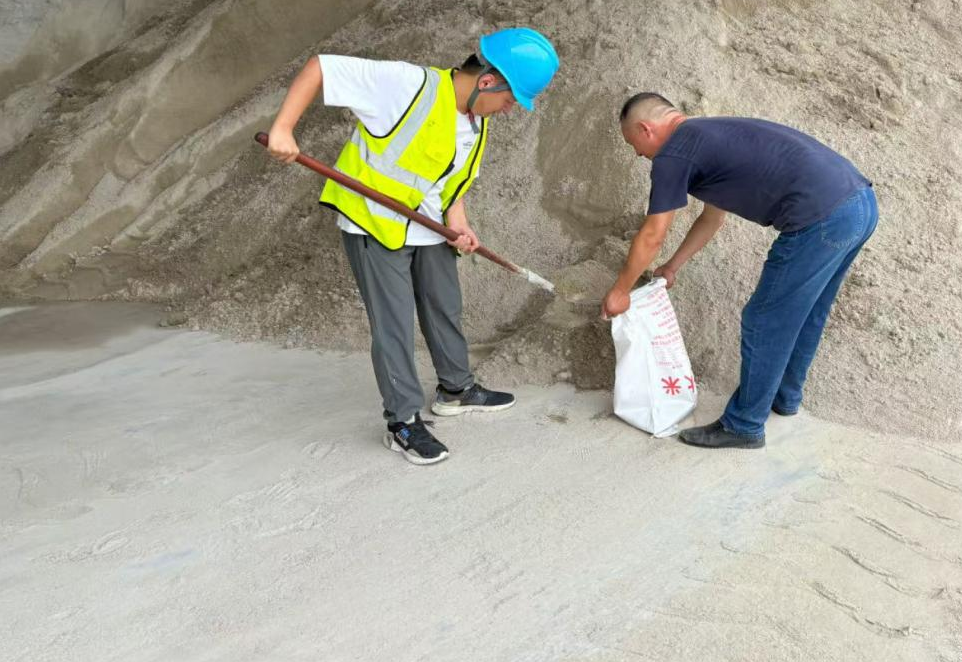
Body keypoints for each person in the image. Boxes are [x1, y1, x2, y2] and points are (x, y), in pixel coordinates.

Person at [265, 28, 559, 465]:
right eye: (511, 98)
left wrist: (458, 222)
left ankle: (455, 390)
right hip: (374, 223)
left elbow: (449, 180)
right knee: (394, 324)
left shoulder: (475, 119)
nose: (510, 108)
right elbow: (321, 67)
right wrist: (283, 128)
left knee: (444, 304)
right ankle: (402, 420)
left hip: (427, 225)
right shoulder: (407, 86)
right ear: (486, 81)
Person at [602, 93, 877, 450]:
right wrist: (672, 266)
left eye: (633, 145)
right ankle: (784, 398)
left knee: (764, 319)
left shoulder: (674, 153)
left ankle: (744, 425)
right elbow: (712, 218)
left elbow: (653, 234)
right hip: (859, 204)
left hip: (821, 216)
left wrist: (620, 291)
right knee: (807, 312)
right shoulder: (709, 137)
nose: (638, 155)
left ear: (645, 129)